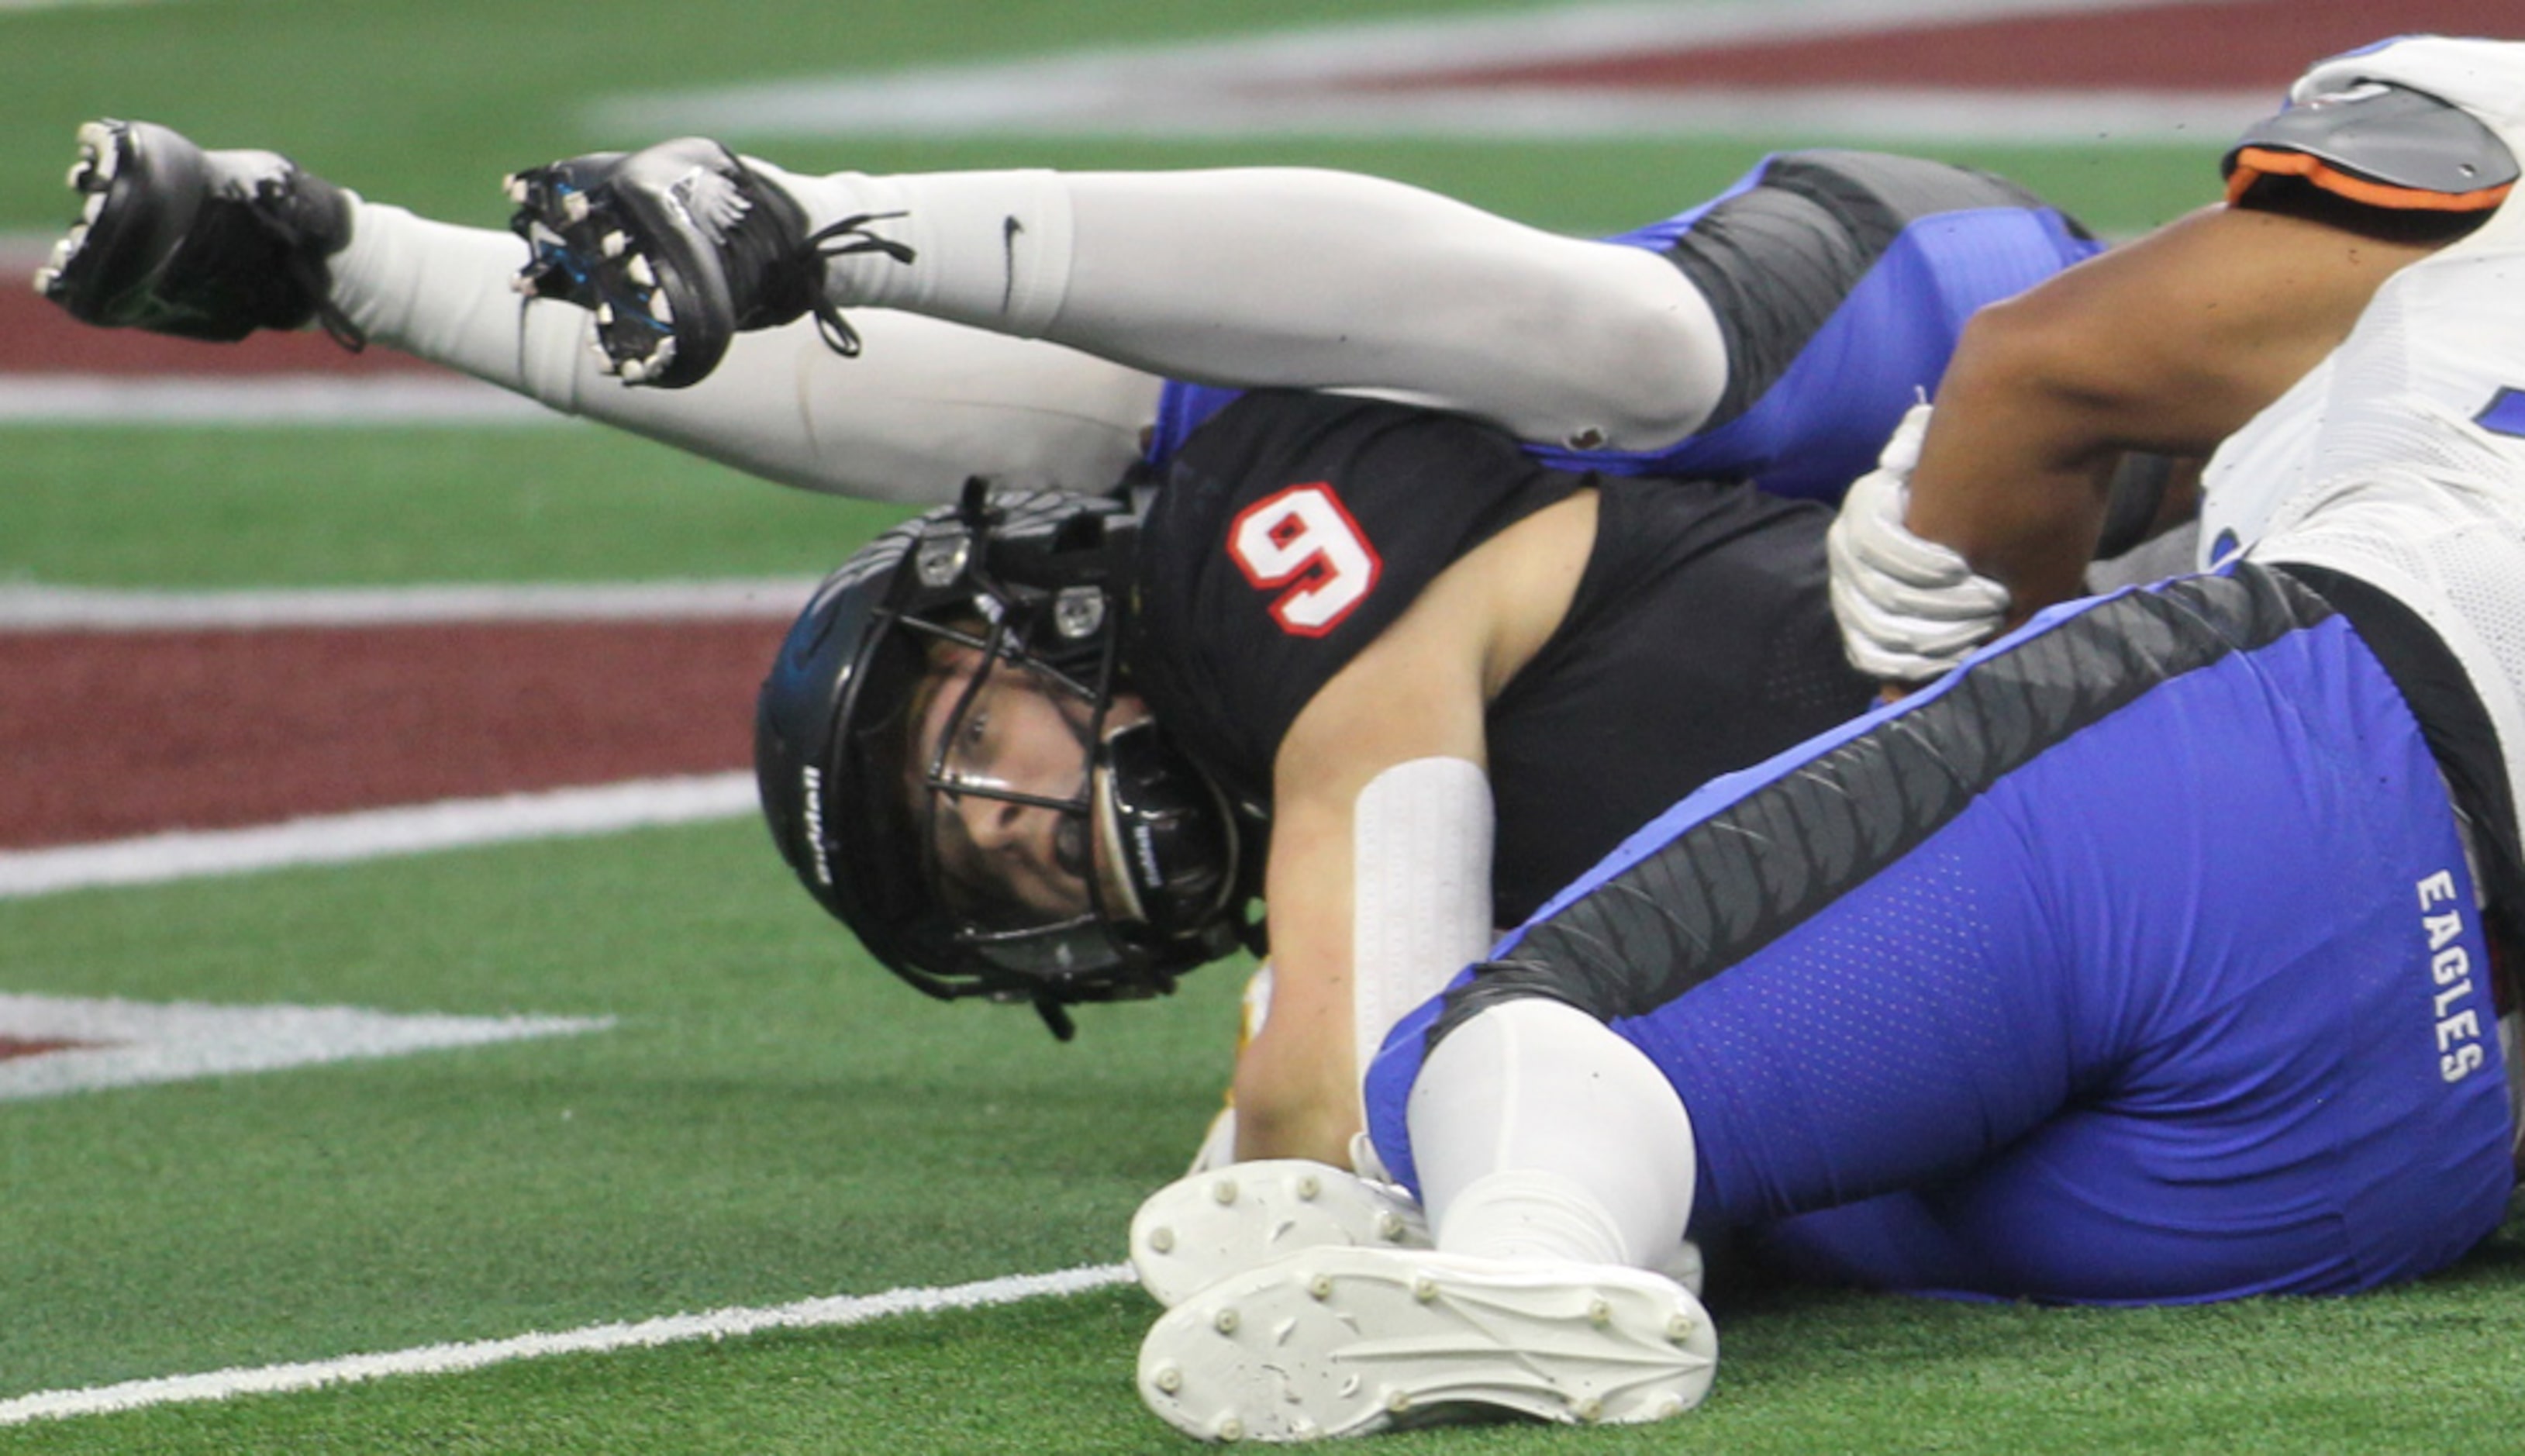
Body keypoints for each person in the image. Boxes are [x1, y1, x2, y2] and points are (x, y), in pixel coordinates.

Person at [36, 125, 2110, 1185]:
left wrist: (381, 272)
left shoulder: (1246, 523)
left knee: (1629, 354)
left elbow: (1025, 418)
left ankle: (810, 211)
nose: (1025, 818)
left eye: (974, 739)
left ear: (1025, 607)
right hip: (2115, 619)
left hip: (1887, 326)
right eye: (989, 867)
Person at [1124, 33, 2525, 1444]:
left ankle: (1523, 1246)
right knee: (1850, 1166)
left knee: (1549, 1019)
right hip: (2411, 1140)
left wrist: (1986, 673)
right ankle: (1536, 1213)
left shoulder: (2469, 175)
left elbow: (2047, 362)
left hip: (2336, 731)